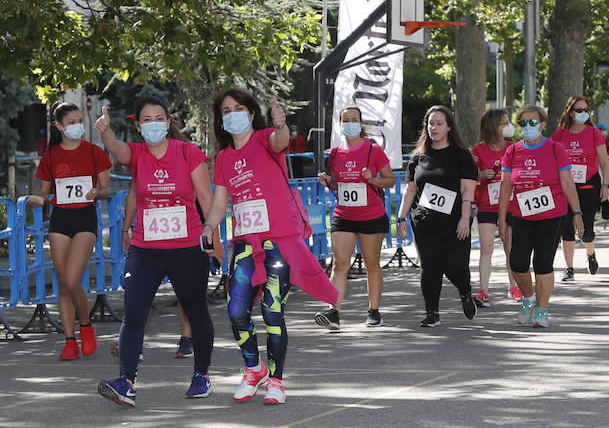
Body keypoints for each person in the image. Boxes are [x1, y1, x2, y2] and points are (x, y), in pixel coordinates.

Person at [204, 89, 339, 405]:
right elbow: (220, 202)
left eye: (239, 108)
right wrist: (209, 225)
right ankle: (254, 368)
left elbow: (281, 141)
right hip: (246, 245)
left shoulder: (265, 139)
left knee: (272, 312)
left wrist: (282, 126)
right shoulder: (224, 159)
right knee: (236, 311)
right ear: (221, 120)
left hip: (280, 243)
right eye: (226, 111)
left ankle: (276, 381)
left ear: (251, 114)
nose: (233, 114)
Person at [93, 98, 217, 407]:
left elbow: (205, 196)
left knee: (196, 311)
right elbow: (119, 151)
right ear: (138, 126)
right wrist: (105, 132)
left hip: (186, 247)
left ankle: (201, 375)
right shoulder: (136, 154)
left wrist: (213, 236)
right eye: (146, 119)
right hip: (145, 250)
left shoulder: (187, 152)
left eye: (158, 118)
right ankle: (126, 381)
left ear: (168, 119)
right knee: (134, 313)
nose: (153, 124)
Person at [28, 101, 111, 360]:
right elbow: (44, 193)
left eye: (80, 122)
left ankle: (86, 326)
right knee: (63, 284)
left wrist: (98, 192)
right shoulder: (51, 156)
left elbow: (107, 190)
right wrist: (38, 200)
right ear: (59, 126)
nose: (77, 127)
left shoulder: (94, 151)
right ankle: (69, 340)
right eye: (72, 123)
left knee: (72, 279)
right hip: (60, 220)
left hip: (85, 218)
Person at [496, 106, 584, 328]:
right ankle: (528, 298)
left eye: (532, 123)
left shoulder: (555, 148)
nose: (528, 127)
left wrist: (577, 214)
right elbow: (506, 187)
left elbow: (567, 183)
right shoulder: (513, 151)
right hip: (522, 214)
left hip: (552, 214)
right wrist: (501, 219)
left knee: (543, 262)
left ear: (543, 124)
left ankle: (542, 310)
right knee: (517, 261)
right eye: (523, 123)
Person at [395, 105, 478, 328]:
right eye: (431, 123)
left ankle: (465, 291)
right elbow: (410, 190)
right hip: (425, 221)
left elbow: (467, 191)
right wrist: (401, 218)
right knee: (430, 266)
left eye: (439, 123)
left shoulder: (462, 155)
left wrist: (464, 218)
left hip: (454, 221)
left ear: (449, 127)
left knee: (455, 265)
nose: (434, 127)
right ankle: (432, 312)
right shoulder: (418, 157)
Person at [316, 106, 394, 328]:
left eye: (354, 119)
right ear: (340, 124)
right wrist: (327, 181)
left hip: (371, 215)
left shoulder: (372, 150)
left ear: (360, 124)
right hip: (344, 214)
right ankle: (333, 312)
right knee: (340, 264)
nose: (350, 123)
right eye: (345, 120)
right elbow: (337, 184)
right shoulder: (335, 153)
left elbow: (389, 180)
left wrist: (372, 179)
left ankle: (374, 310)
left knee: (372, 264)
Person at [551, 95, 609, 281]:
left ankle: (590, 254)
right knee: (566, 228)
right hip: (566, 188)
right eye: (579, 110)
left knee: (587, 230)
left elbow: (605, 164)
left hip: (588, 187)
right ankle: (569, 268)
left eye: (586, 110)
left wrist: (606, 186)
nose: (583, 113)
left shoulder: (593, 133)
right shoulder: (560, 134)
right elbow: (550, 158)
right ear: (570, 112)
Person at [471, 108, 518, 307]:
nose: (508, 127)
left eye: (508, 122)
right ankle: (483, 291)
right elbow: (468, 178)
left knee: (511, 248)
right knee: (486, 248)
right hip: (486, 206)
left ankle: (514, 287)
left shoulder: (513, 147)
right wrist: (480, 175)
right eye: (503, 123)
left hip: (510, 206)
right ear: (492, 127)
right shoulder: (478, 150)